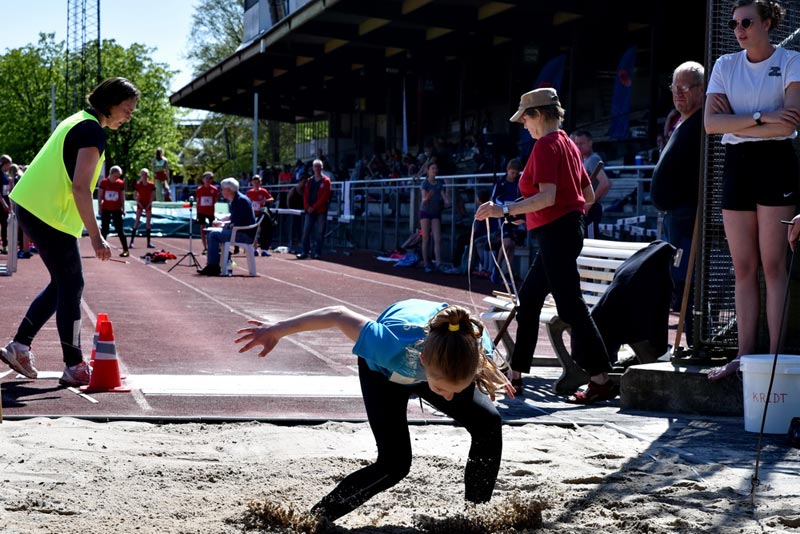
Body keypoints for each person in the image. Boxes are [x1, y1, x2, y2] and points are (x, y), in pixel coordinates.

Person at [234, 299, 511, 524]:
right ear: (424, 362)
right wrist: (277, 329)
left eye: (457, 388)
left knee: (488, 422)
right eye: (443, 390)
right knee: (394, 464)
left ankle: (475, 517)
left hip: (442, 364)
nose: (449, 398)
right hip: (383, 373)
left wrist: (489, 372)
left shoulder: (471, 344)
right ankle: (315, 520)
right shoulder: (387, 344)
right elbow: (337, 314)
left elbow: (472, 366)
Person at [475, 87, 616, 404]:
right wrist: (545, 216)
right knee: (529, 300)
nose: (523, 124)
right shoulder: (567, 143)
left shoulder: (546, 145)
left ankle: (601, 379)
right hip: (563, 231)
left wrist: (506, 210)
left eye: (525, 117)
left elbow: (549, 197)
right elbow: (587, 198)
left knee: (570, 306)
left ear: (538, 114)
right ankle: (515, 375)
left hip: (557, 234)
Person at [1, 76, 139, 386]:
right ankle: (74, 365)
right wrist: (96, 236)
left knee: (63, 284)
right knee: (72, 284)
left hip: (37, 206)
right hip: (46, 211)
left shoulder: (80, 121)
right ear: (111, 104)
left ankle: (19, 346)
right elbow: (80, 187)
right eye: (127, 109)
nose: (130, 116)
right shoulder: (91, 131)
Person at [704, 0, 800, 380]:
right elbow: (711, 124)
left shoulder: (791, 60)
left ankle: (774, 359)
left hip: (776, 163)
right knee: (743, 266)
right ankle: (744, 358)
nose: (738, 29)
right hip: (738, 165)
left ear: (768, 23)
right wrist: (762, 116)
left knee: (773, 266)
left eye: (746, 22)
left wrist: (737, 123)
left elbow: (788, 126)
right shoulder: (725, 65)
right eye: (733, 24)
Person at [651, 61, 705, 331]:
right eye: (675, 87)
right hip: (675, 216)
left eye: (685, 87)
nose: (678, 93)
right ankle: (689, 335)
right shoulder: (680, 120)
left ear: (701, 89)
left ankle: (695, 336)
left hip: (689, 215)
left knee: (687, 280)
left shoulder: (703, 121)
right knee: (678, 279)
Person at [197, 177, 255, 276]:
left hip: (244, 234)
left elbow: (237, 223)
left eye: (222, 189)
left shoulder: (240, 201)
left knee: (213, 235)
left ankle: (213, 266)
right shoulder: (236, 199)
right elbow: (234, 218)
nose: (221, 191)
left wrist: (223, 225)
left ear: (229, 190)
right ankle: (215, 263)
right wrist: (221, 222)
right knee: (214, 233)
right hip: (241, 231)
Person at [570, 130, 610, 239]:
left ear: (590, 143)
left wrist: (588, 204)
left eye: (582, 143)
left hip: (591, 209)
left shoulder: (593, 159)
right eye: (577, 143)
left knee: (591, 242)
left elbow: (605, 183)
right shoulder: (583, 160)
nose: (578, 146)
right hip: (583, 208)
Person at [490, 158, 525, 283]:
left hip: (515, 215)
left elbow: (522, 199)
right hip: (503, 215)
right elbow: (494, 199)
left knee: (512, 246)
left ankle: (509, 273)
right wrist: (504, 206)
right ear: (507, 170)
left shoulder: (519, 183)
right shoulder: (500, 184)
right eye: (512, 173)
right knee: (506, 243)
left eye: (516, 173)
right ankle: (496, 269)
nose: (514, 175)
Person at [296, 159, 331, 260]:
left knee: (320, 232)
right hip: (309, 210)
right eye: (315, 166)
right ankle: (304, 252)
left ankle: (317, 252)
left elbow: (325, 197)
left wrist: (314, 207)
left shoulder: (326, 181)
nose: (316, 168)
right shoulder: (309, 181)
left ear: (321, 168)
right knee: (306, 231)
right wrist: (307, 207)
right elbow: (305, 195)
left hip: (320, 210)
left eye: (318, 166)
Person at [419, 162, 450, 272]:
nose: (435, 170)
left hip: (436, 212)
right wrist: (428, 197)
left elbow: (444, 196)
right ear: (428, 170)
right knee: (426, 238)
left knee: (438, 238)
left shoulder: (439, 183)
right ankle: (426, 263)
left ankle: (438, 263)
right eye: (433, 168)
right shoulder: (425, 183)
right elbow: (423, 199)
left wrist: (446, 201)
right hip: (425, 212)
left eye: (436, 168)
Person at [98, 165, 130, 257]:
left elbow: (122, 196)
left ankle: (125, 250)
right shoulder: (104, 182)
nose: (117, 178)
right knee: (104, 230)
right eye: (116, 176)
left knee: (120, 230)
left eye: (118, 176)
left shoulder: (120, 183)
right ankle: (102, 249)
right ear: (111, 174)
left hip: (117, 209)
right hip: (106, 209)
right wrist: (100, 208)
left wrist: (123, 208)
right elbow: (100, 196)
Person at [245, 174, 275, 256]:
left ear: (260, 183)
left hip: (262, 214)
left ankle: (264, 249)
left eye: (258, 182)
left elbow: (271, 198)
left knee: (263, 231)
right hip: (253, 214)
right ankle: (255, 249)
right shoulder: (249, 192)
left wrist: (265, 200)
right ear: (252, 183)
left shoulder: (263, 191)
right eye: (255, 182)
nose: (256, 184)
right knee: (255, 231)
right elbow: (246, 202)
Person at [129, 168, 156, 249]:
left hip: (148, 203)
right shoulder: (138, 184)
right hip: (140, 203)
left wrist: (149, 204)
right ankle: (131, 242)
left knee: (148, 222)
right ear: (141, 175)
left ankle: (148, 242)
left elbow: (153, 195)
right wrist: (138, 202)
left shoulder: (151, 185)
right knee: (137, 222)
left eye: (146, 174)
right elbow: (135, 195)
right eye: (143, 174)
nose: (145, 176)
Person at [195, 171, 219, 255]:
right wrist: (197, 213)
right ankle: (205, 247)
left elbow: (215, 200)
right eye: (207, 178)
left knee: (213, 228)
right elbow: (197, 202)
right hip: (201, 211)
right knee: (202, 229)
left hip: (210, 211)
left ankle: (214, 246)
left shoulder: (214, 189)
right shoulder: (199, 190)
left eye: (210, 178)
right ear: (203, 179)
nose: (208, 180)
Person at [287, 174, 307, 254]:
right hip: (293, 211)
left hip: (301, 211)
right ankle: (291, 242)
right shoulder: (294, 189)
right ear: (300, 182)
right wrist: (289, 208)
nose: (304, 184)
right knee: (293, 227)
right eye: (303, 182)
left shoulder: (305, 190)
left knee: (301, 227)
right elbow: (288, 198)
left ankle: (300, 242)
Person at [0, 154, 12, 254]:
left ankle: (4, 246)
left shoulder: (5, 175)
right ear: (5, 163)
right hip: (1, 204)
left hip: (5, 202)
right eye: (9, 164)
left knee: (4, 225)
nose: (9, 166)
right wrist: (4, 204)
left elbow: (7, 190)